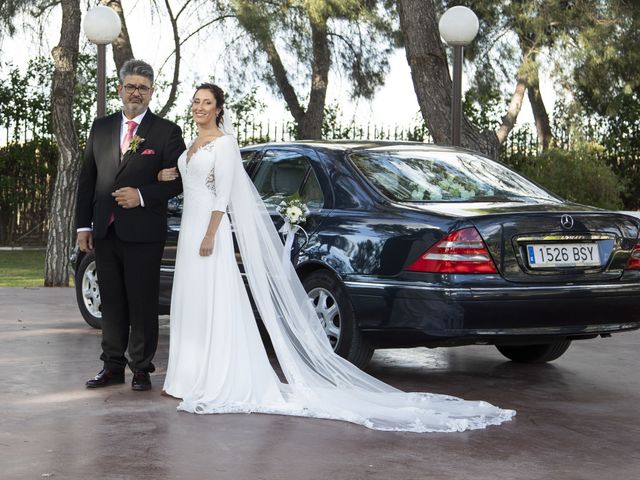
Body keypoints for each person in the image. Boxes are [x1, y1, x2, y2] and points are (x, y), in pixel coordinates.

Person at [158, 83, 515, 432]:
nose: (200, 107)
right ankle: (187, 377)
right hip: (188, 231)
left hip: (208, 234)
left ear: (219, 108)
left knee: (213, 302)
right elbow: (191, 182)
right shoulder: (193, 144)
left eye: (207, 102)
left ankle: (215, 377)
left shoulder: (225, 145)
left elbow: (222, 196)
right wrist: (167, 174)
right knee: (191, 303)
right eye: (196, 101)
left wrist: (209, 234)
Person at [76, 59, 185, 391]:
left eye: (143, 87)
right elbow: (87, 180)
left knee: (141, 301)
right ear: (119, 88)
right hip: (105, 231)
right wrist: (83, 227)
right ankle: (111, 365)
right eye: (131, 86)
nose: (136, 92)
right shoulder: (101, 127)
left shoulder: (167, 132)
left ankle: (141, 368)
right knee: (111, 301)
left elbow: (179, 182)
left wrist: (141, 195)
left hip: (143, 233)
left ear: (151, 92)